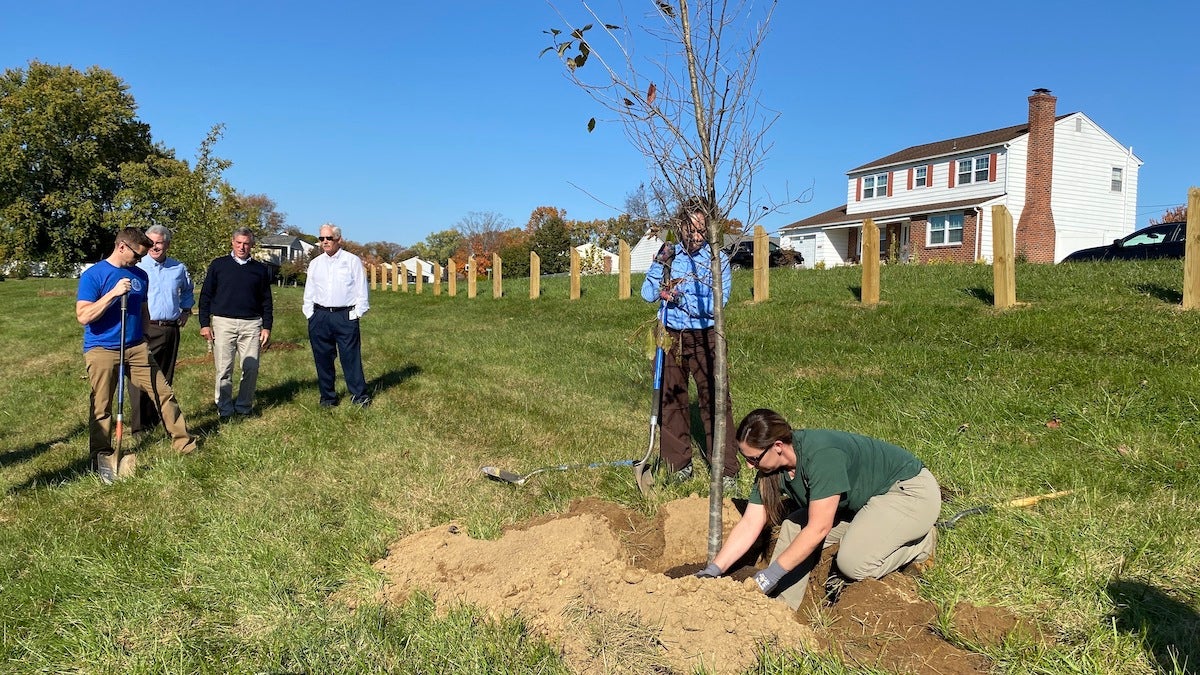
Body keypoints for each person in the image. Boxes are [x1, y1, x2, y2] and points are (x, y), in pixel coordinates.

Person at [695, 409, 940, 609]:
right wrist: (714, 570)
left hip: (908, 493)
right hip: (868, 504)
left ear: (778, 446)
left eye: (753, 459)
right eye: (745, 458)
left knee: (852, 564)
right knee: (793, 525)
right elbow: (750, 523)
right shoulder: (770, 471)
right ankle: (782, 609)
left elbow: (819, 528)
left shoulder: (821, 456)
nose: (749, 467)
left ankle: (921, 543)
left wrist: (768, 576)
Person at [76, 228, 198, 483]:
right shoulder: (93, 275)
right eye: (136, 255)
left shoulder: (140, 275)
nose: (138, 261)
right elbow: (83, 316)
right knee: (102, 404)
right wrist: (112, 295)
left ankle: (184, 444)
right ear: (122, 247)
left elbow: (142, 309)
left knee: (163, 392)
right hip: (102, 348)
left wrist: (142, 335)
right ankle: (101, 453)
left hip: (135, 347)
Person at [640, 198, 739, 493]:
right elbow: (647, 294)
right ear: (680, 226)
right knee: (672, 400)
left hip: (706, 336)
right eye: (689, 229)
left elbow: (717, 305)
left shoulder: (716, 260)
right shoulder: (670, 254)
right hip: (671, 335)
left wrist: (681, 298)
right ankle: (677, 464)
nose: (695, 236)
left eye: (700, 231)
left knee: (715, 399)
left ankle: (725, 468)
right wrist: (660, 267)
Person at [198, 227, 274, 420]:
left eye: (246, 243)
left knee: (251, 368)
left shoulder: (260, 270)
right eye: (238, 242)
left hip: (251, 324)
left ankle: (244, 407)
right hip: (224, 323)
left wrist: (267, 326)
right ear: (232, 242)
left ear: (252, 245)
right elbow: (206, 295)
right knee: (224, 369)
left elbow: (266, 300)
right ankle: (224, 409)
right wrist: (204, 323)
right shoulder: (218, 265)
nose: (242, 247)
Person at [130, 225, 195, 434]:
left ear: (167, 244)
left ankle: (156, 421)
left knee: (164, 379)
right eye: (151, 242)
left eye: (159, 242)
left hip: (170, 330)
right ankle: (139, 427)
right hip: (145, 327)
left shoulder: (178, 268)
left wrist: (186, 309)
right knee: (140, 378)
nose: (154, 247)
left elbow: (187, 289)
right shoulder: (137, 268)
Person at [302, 223, 371, 408]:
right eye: (321, 238)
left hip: (345, 316)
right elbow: (309, 291)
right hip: (320, 316)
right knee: (323, 358)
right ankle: (328, 398)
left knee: (350, 357)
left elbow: (361, 290)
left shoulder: (352, 261)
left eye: (329, 238)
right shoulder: (315, 264)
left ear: (338, 239)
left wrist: (357, 313)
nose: (325, 242)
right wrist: (310, 313)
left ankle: (359, 396)